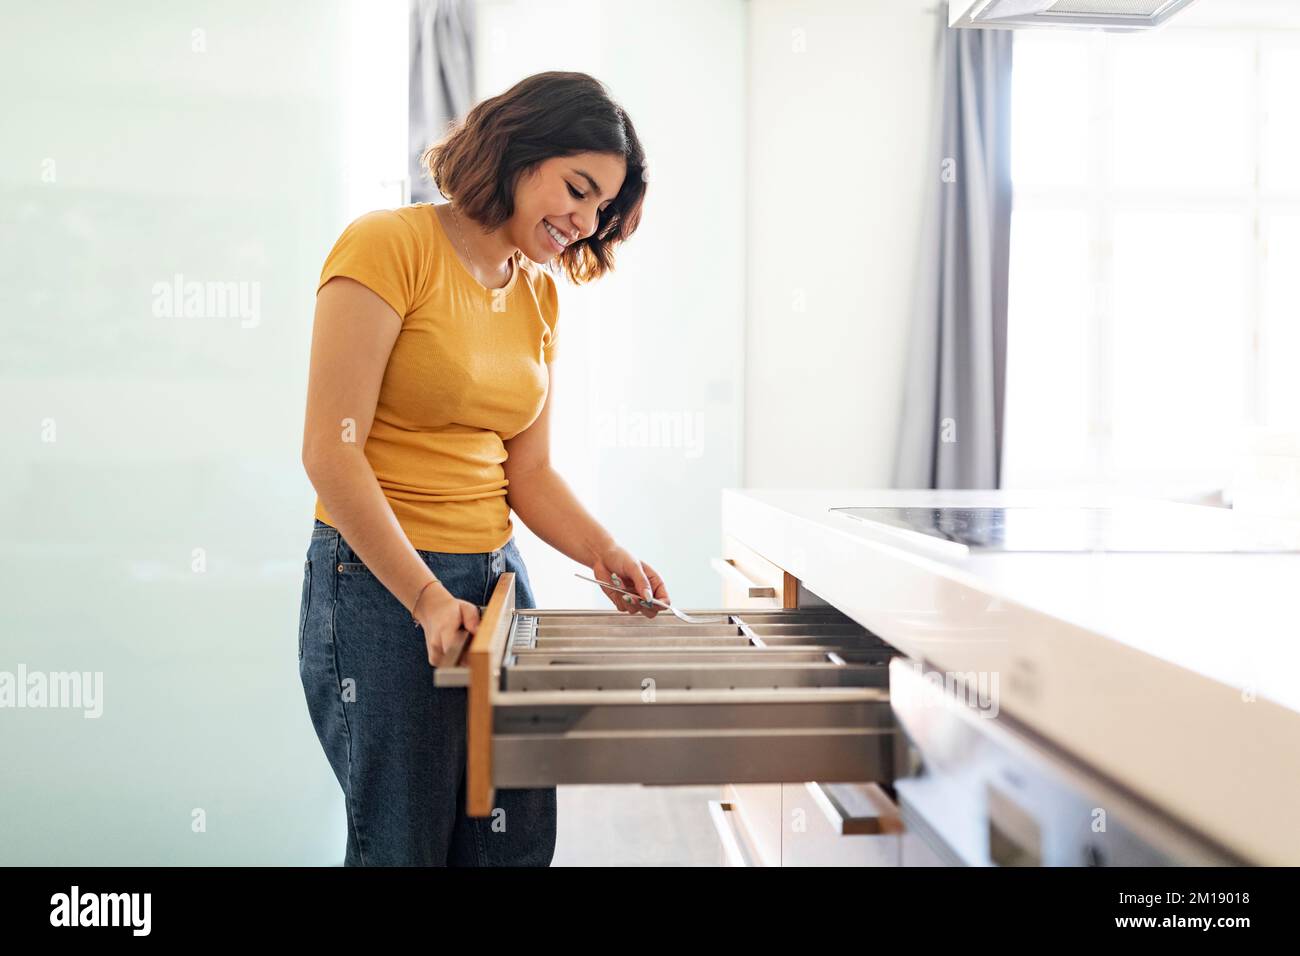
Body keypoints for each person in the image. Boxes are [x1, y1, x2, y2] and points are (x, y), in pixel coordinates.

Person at [296, 71, 667, 866]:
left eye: (601, 207)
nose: (585, 219)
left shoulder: (539, 297)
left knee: (514, 843)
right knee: (405, 845)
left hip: (497, 584)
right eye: (577, 188)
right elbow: (331, 451)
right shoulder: (389, 245)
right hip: (379, 588)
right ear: (517, 151)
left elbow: (528, 475)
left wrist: (607, 555)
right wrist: (426, 598)